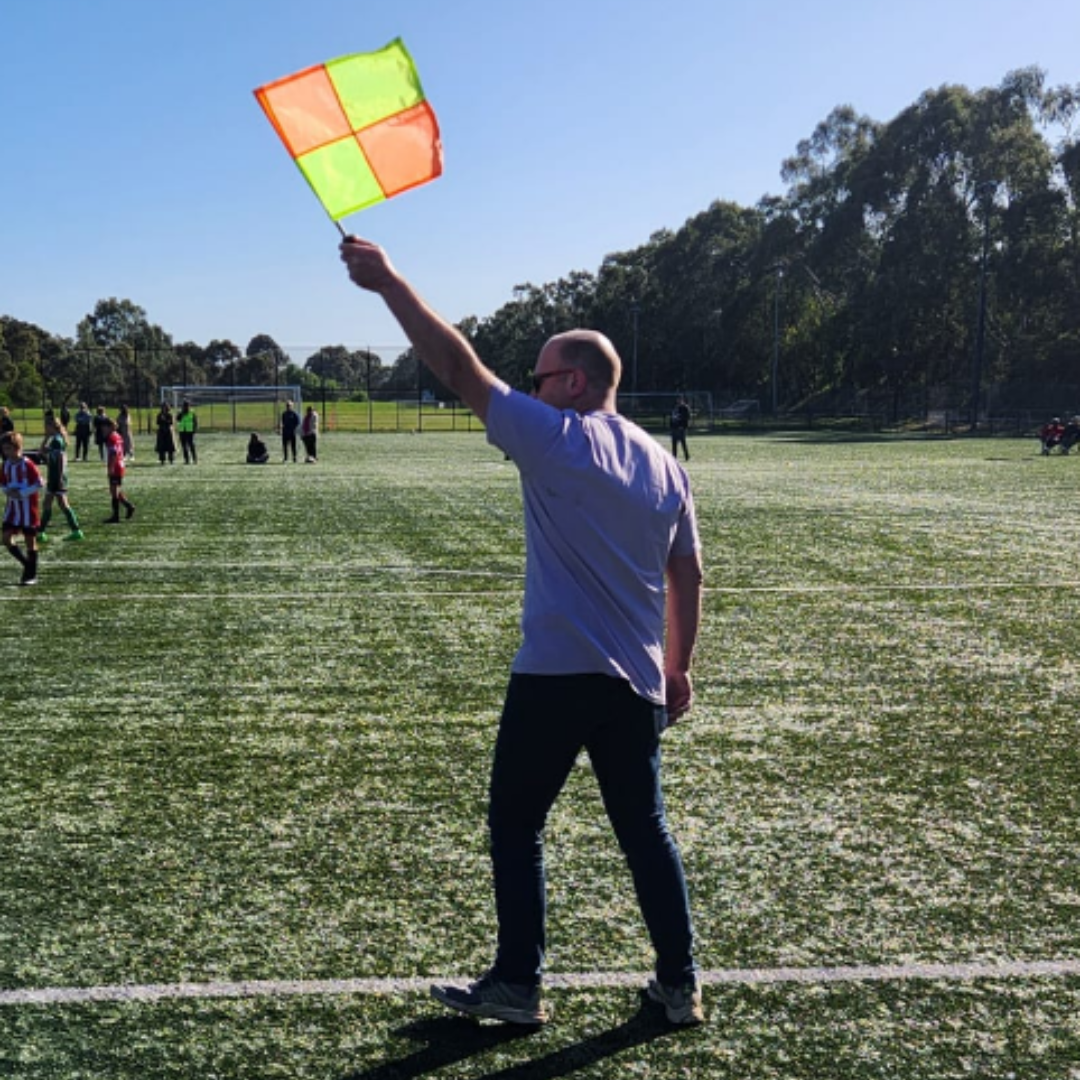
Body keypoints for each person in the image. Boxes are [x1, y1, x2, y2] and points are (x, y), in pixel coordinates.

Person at [340, 236, 705, 1027]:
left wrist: (389, 282)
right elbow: (688, 574)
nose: (530, 390)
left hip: (556, 673)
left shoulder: (558, 438)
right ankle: (679, 987)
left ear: (572, 382)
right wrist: (678, 670)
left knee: (515, 823)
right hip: (636, 682)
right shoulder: (666, 466)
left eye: (540, 377)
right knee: (647, 835)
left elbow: (457, 365)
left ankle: (518, 982)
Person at [1, 432, 43, 586]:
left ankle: (30, 575)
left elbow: (39, 483)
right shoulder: (5, 465)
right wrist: (7, 491)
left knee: (30, 542)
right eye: (4, 449)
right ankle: (27, 564)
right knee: (5, 538)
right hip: (12, 509)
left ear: (18, 448)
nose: (7, 452)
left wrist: (22, 493)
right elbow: (3, 483)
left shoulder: (27, 464)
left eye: (9, 449)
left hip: (28, 510)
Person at [37, 415, 83, 543]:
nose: (44, 429)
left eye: (46, 427)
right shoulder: (56, 439)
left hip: (56, 478)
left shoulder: (56, 441)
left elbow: (58, 460)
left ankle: (42, 532)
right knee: (57, 504)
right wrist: (45, 438)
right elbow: (42, 452)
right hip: (57, 477)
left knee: (57, 504)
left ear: (51, 426)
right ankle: (41, 532)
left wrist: (57, 480)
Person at [102, 417, 135, 523]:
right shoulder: (117, 435)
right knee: (115, 490)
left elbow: (114, 453)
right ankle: (129, 506)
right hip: (120, 465)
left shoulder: (111, 437)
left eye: (104, 427)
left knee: (114, 491)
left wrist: (111, 467)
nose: (103, 429)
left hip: (116, 466)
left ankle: (116, 516)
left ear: (109, 427)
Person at [670, 396, 691, 461]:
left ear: (682, 400)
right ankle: (674, 457)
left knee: (683, 443)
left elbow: (687, 418)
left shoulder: (685, 408)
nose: (678, 401)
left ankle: (686, 456)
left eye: (680, 400)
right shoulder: (675, 407)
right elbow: (672, 417)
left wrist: (683, 426)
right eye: (678, 400)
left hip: (681, 428)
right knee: (674, 443)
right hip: (675, 428)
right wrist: (672, 425)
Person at [176, 400, 198, 464]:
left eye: (186, 406)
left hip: (190, 431)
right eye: (184, 406)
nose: (185, 407)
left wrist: (194, 430)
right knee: (184, 446)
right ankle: (187, 460)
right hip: (182, 431)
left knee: (191, 446)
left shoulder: (192, 413)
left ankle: (194, 459)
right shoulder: (181, 413)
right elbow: (177, 419)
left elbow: (195, 422)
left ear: (189, 406)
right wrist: (180, 413)